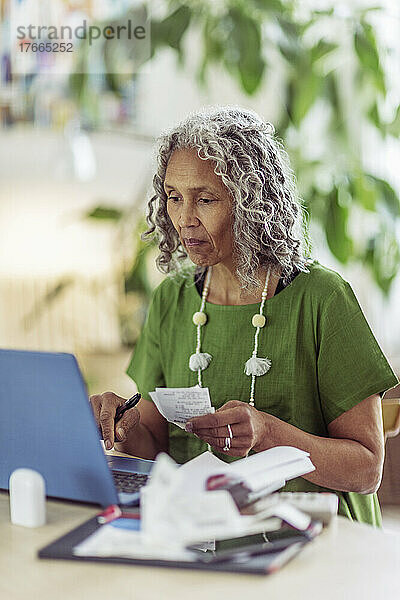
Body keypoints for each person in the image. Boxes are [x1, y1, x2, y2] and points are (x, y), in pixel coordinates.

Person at [90, 106, 399, 526]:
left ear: (253, 203)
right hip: (203, 531)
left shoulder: (323, 299)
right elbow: (157, 447)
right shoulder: (172, 299)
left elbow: (367, 469)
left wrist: (270, 434)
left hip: (315, 533)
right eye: (174, 197)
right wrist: (123, 427)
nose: (184, 220)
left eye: (205, 199)